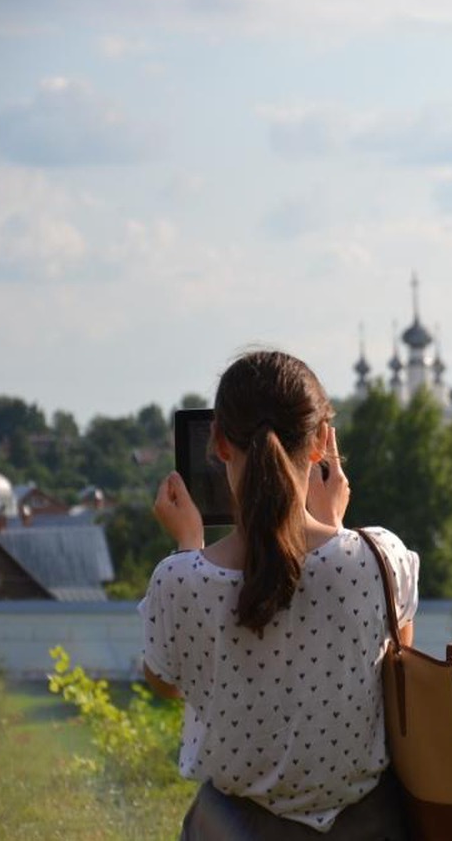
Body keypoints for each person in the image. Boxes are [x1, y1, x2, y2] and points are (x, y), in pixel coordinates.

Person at [141, 350, 419, 838]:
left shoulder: (180, 581)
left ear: (220, 443)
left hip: (234, 828)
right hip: (370, 826)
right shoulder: (380, 558)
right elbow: (395, 660)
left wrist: (188, 549)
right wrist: (334, 526)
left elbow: (166, 681)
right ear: (320, 444)